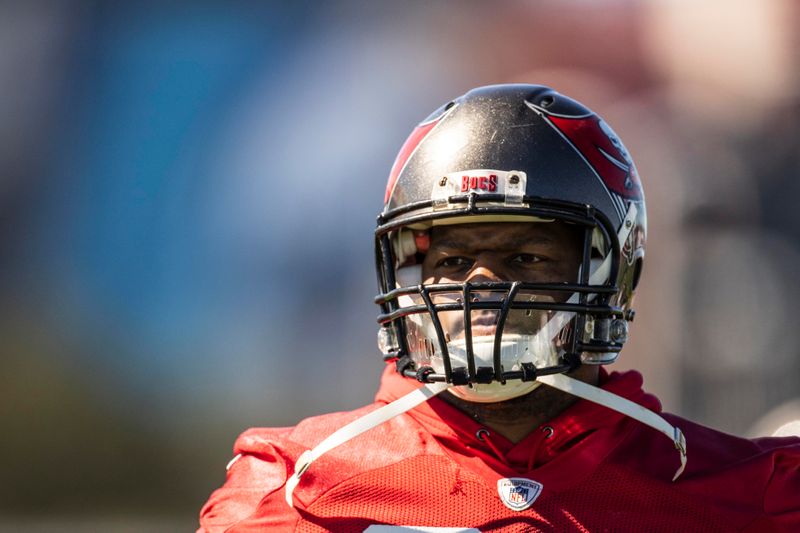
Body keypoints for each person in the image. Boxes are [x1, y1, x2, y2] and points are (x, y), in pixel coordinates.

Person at [198, 84, 800, 532]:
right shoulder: (294, 487)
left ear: (613, 275)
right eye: (454, 263)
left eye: (527, 257)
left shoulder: (748, 492)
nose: (482, 287)